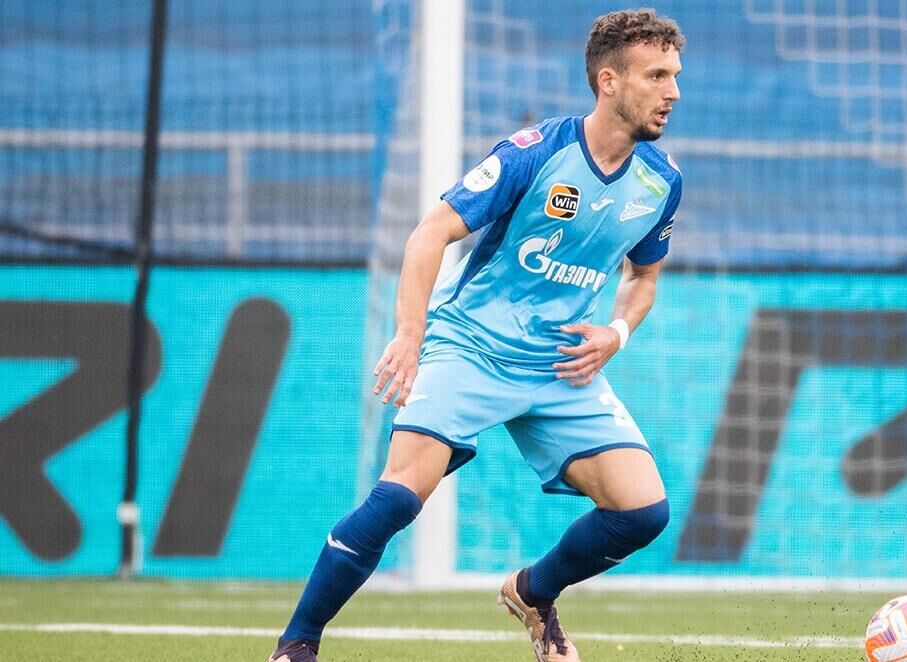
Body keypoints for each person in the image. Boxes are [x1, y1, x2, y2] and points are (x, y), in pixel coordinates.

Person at [270, 9, 684, 662]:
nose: (673, 92)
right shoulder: (535, 153)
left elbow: (644, 277)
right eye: (656, 75)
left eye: (674, 75)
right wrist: (411, 334)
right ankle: (297, 644)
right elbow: (430, 232)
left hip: (560, 364)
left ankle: (533, 592)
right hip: (470, 346)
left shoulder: (660, 182)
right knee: (397, 498)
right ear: (609, 81)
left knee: (643, 512)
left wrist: (617, 331)